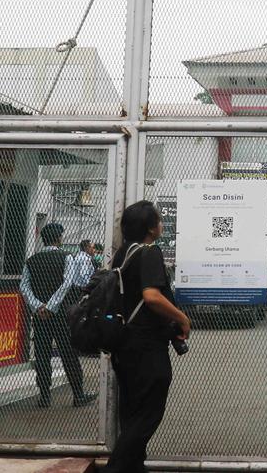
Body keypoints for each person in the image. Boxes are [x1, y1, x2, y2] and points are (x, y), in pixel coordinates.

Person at [104, 201, 191, 473]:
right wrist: (182, 318)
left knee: (132, 413)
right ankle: (116, 468)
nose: (162, 224)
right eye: (159, 220)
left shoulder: (123, 254)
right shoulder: (150, 252)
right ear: (151, 228)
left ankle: (134, 468)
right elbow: (151, 296)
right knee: (148, 415)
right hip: (146, 347)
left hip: (124, 346)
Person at [19, 222, 95, 408]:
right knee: (68, 353)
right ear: (59, 238)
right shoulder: (66, 257)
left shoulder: (32, 260)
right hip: (61, 314)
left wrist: (38, 306)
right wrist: (52, 306)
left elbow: (24, 286)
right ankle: (78, 394)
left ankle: (44, 396)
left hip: (40, 316)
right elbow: (67, 283)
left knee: (42, 354)